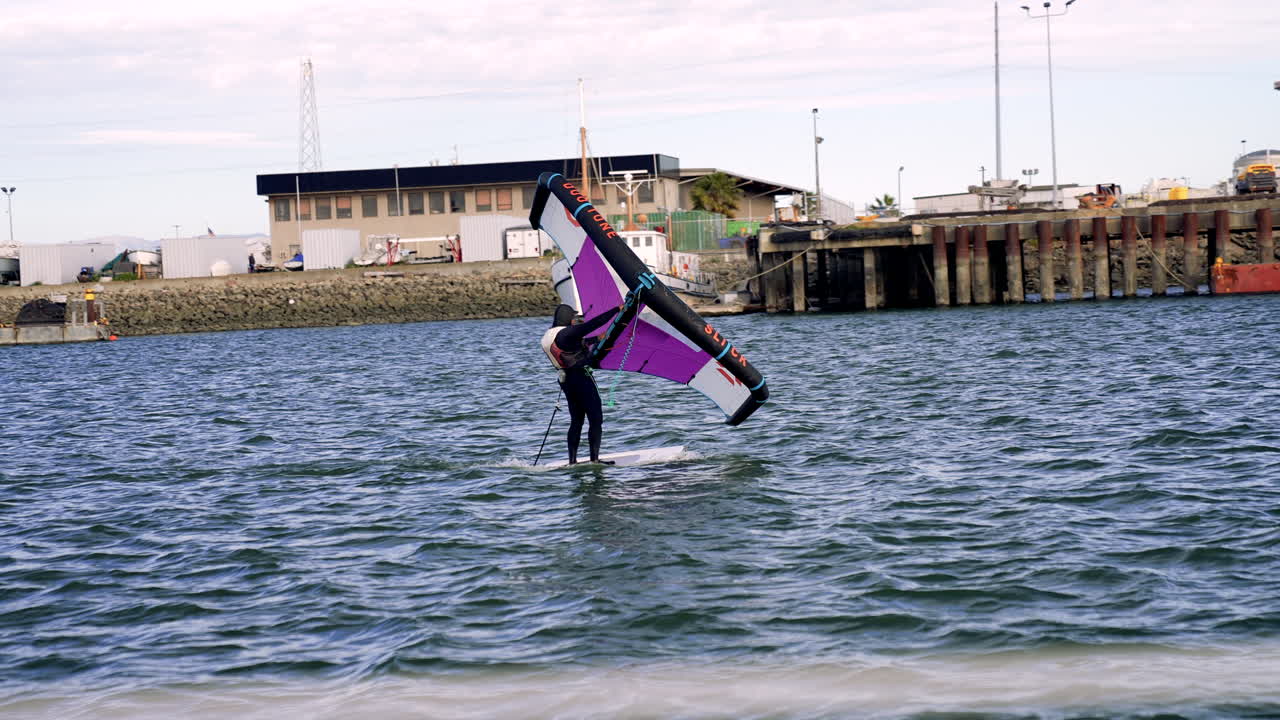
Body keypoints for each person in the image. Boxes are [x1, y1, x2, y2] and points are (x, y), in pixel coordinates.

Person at [541, 303, 621, 465]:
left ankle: (572, 461)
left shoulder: (549, 336)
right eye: (573, 317)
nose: (574, 321)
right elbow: (593, 324)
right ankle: (594, 460)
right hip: (581, 378)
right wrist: (617, 309)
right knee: (595, 418)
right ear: (568, 319)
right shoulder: (566, 333)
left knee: (576, 421)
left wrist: (596, 339)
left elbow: (571, 346)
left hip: (566, 380)